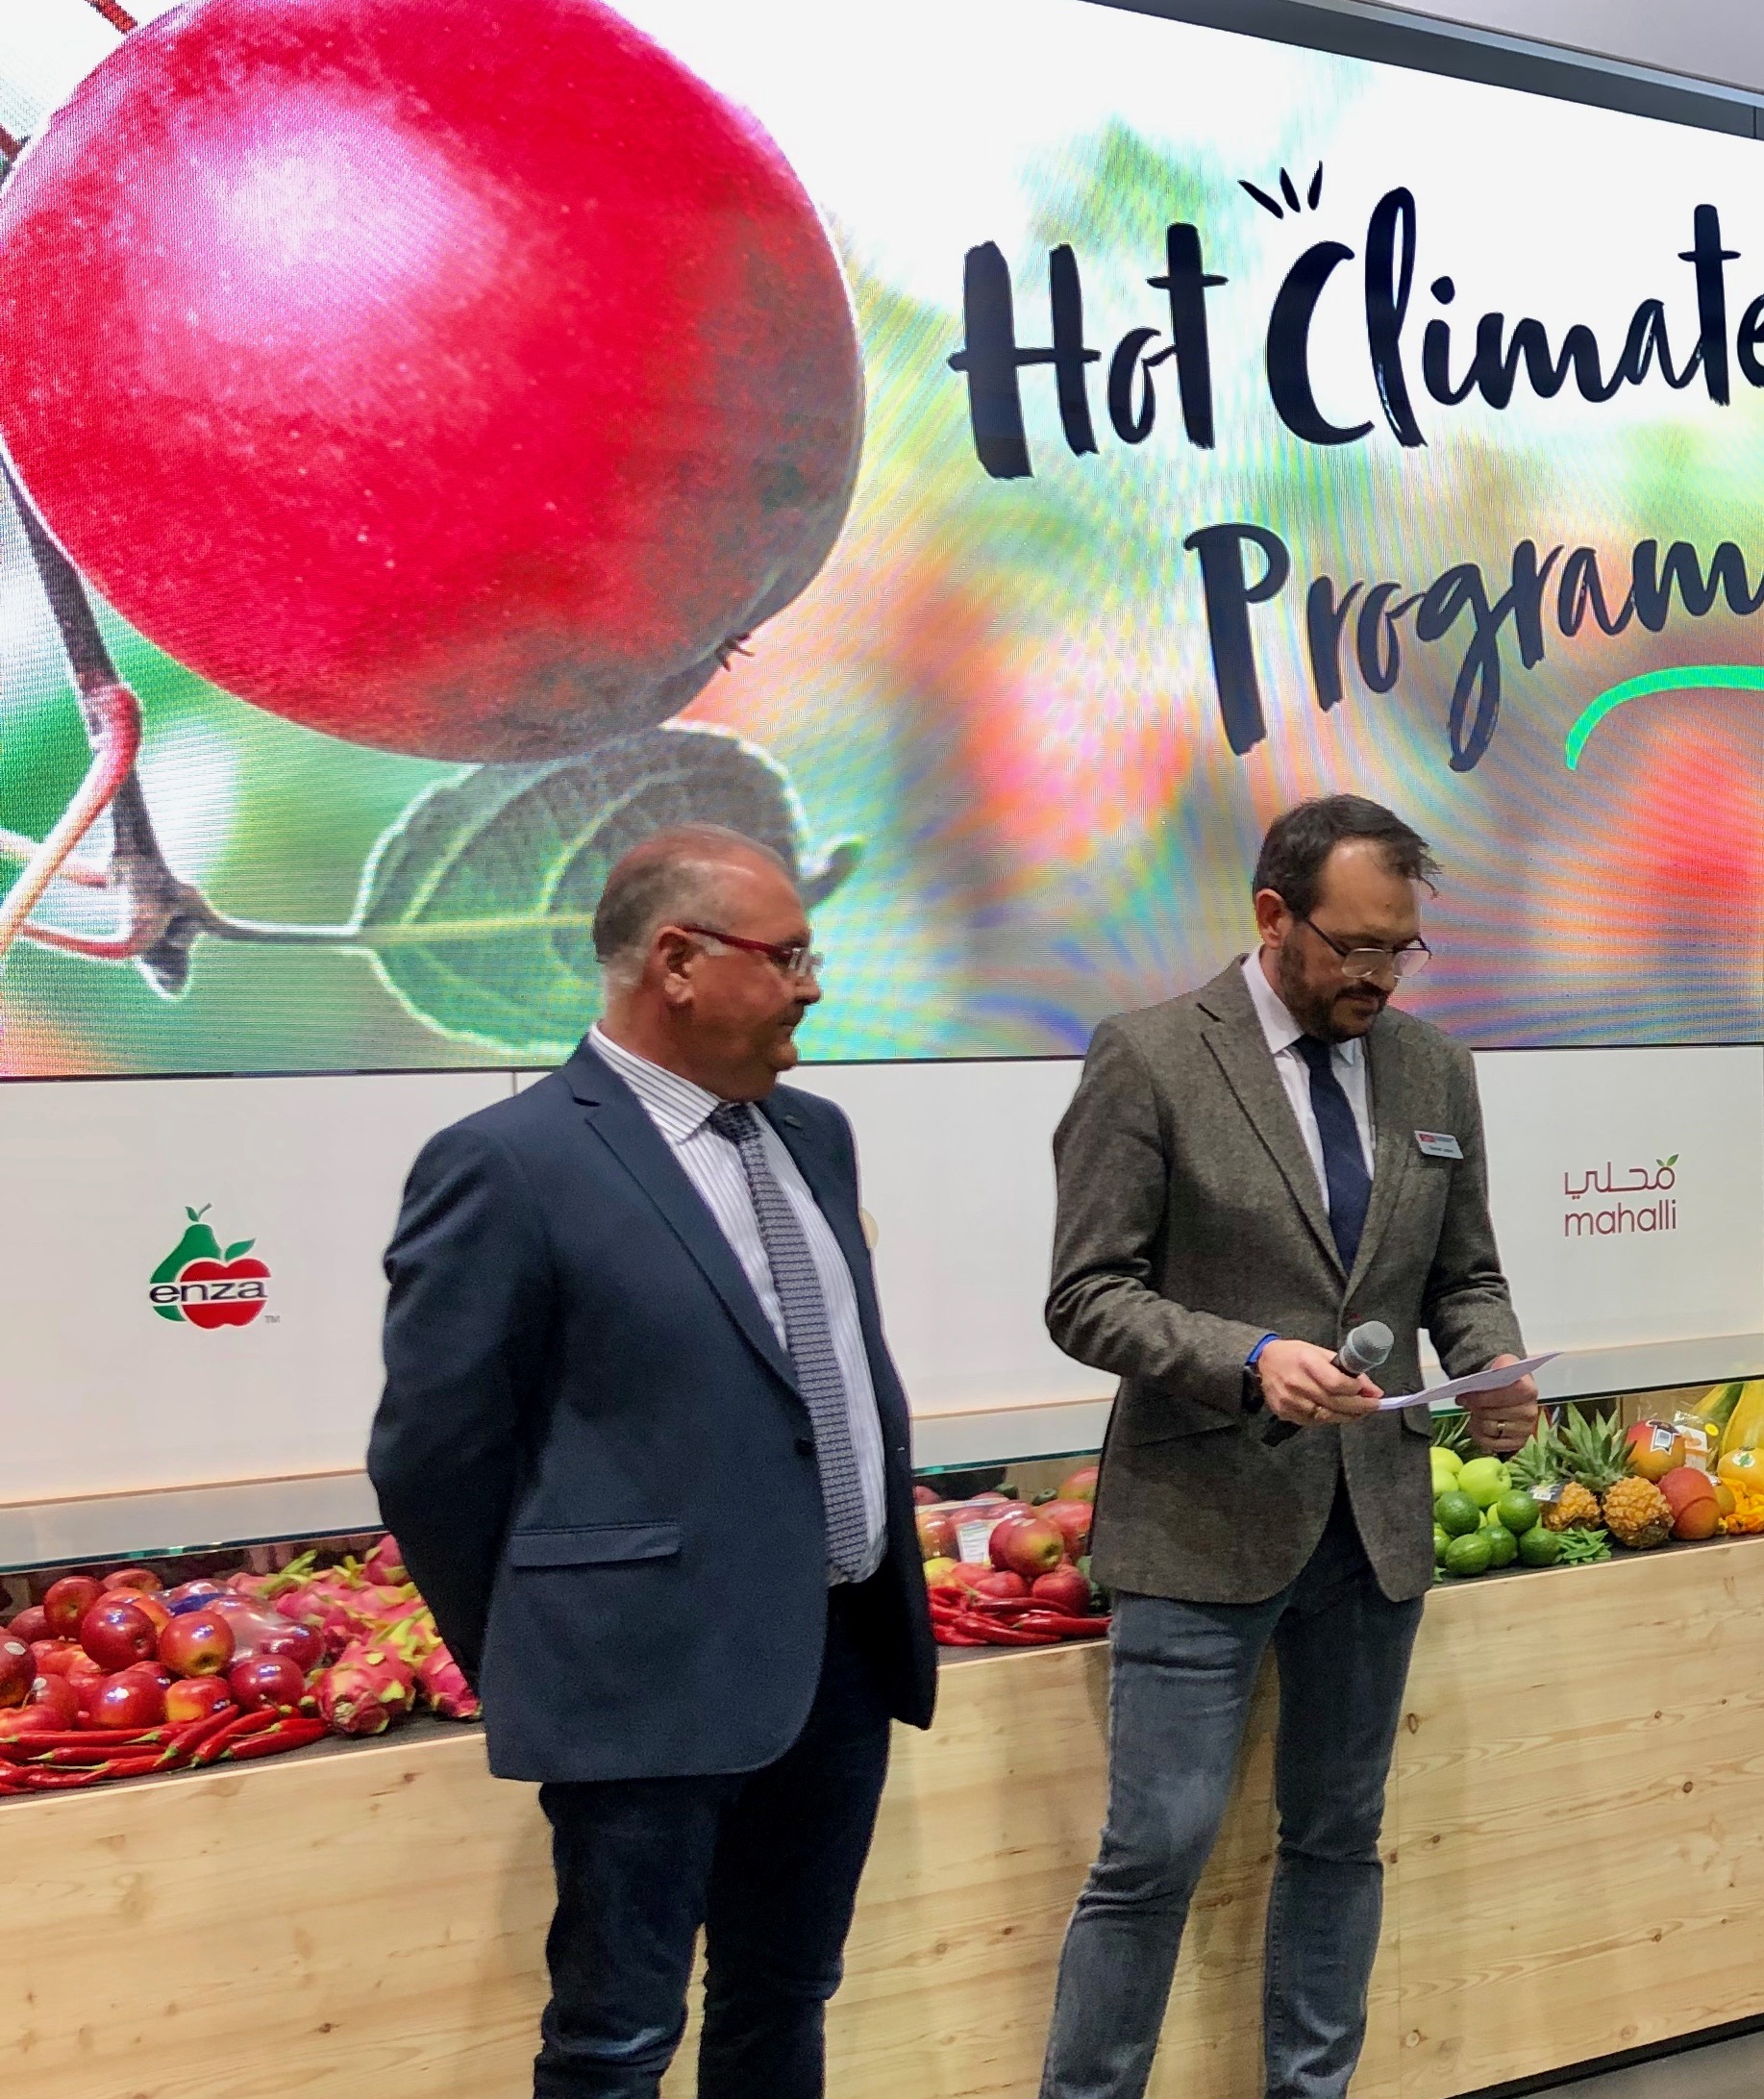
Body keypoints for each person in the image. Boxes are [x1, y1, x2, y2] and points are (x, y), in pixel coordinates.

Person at [373, 824, 935, 2098]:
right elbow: (433, 1454)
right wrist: (545, 1643)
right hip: (638, 1683)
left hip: (837, 1659)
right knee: (616, 2041)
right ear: (677, 961)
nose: (812, 986)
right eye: (787, 955)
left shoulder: (816, 1134)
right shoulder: (509, 1162)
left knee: (784, 1998)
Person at [1036, 796, 1539, 2099]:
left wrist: (1491, 1362)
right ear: (1273, 915)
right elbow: (1087, 1294)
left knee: (1338, 1838)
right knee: (1154, 1851)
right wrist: (1251, 1355)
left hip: (1373, 1525)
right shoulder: (1150, 1056)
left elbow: (1465, 1272)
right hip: (1197, 1522)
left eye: (1401, 948)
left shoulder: (1434, 1069)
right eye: (1355, 946)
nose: (1381, 976)